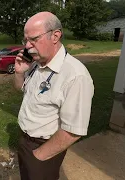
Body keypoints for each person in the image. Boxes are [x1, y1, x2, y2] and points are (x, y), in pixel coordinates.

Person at [14, 12, 94, 180]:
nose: (27, 46)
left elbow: (73, 131)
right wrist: (19, 73)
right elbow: (20, 89)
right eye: (25, 40)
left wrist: (39, 155)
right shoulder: (36, 63)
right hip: (24, 139)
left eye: (33, 39)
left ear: (55, 36)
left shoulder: (76, 76)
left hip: (44, 148)